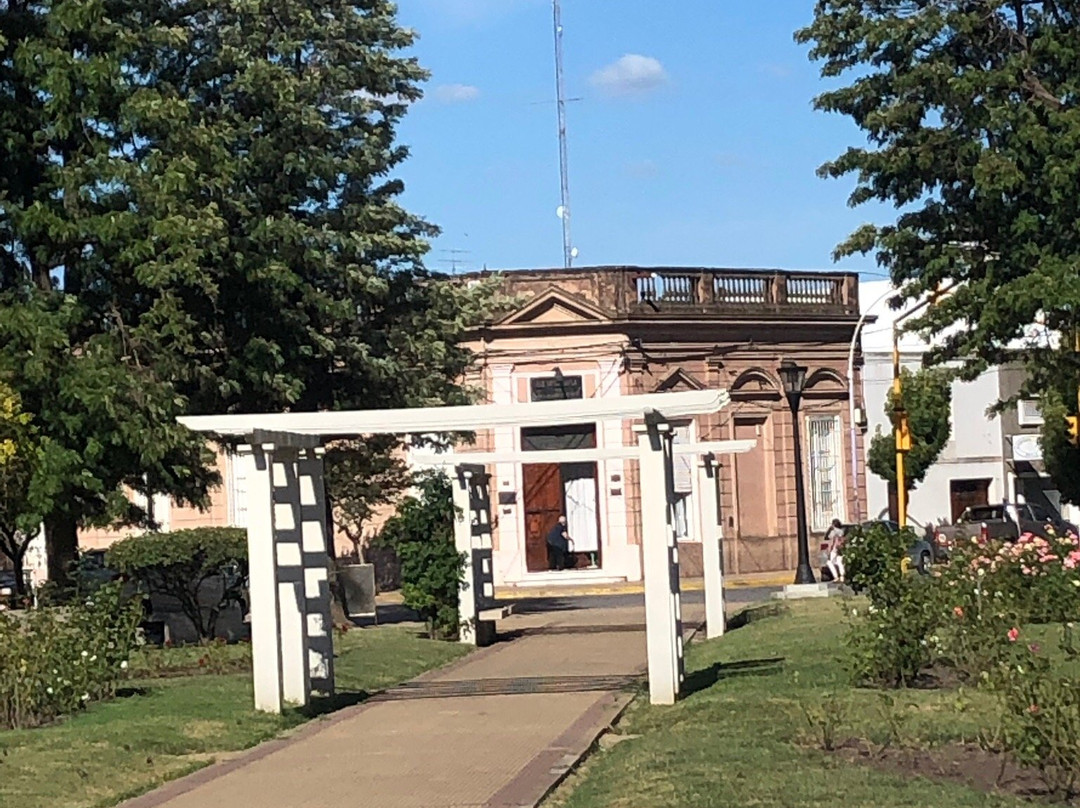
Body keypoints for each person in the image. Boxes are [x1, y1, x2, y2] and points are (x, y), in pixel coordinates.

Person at [825, 518, 846, 583]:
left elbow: (827, 537)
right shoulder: (841, 531)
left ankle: (836, 576)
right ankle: (842, 576)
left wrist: (829, 529)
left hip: (834, 549)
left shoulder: (834, 531)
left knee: (829, 562)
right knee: (839, 562)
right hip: (840, 549)